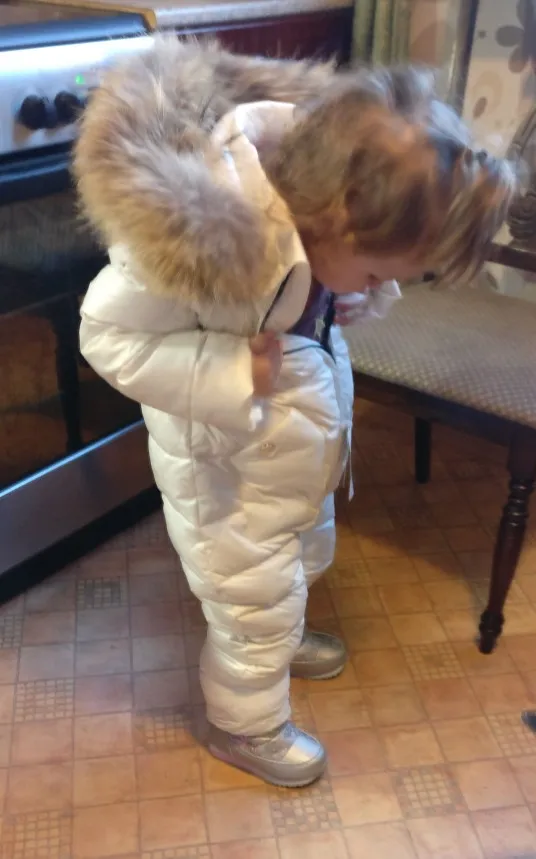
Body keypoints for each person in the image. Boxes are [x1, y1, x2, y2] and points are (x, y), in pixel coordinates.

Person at [75, 36, 515, 788]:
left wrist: (359, 291)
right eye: (374, 271)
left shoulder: (318, 226)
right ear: (336, 219)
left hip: (288, 453)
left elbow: (323, 292)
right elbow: (105, 335)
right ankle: (242, 725)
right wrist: (226, 371)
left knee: (296, 566)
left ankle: (278, 637)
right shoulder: (206, 239)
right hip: (224, 475)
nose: (375, 284)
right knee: (252, 603)